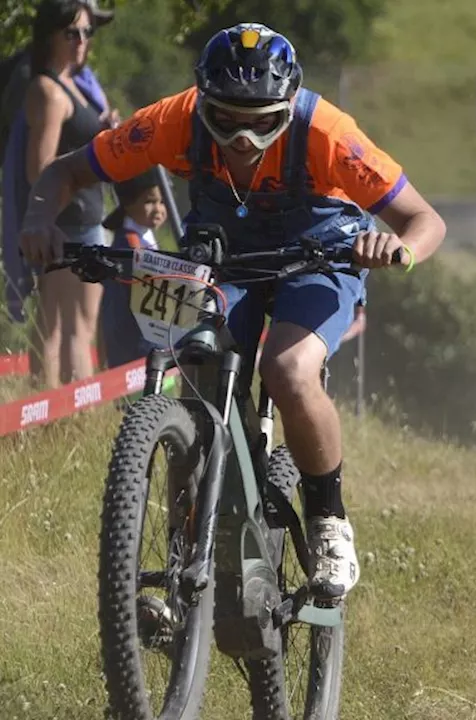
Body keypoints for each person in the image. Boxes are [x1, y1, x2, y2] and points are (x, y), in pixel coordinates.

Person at [19, 22, 448, 602]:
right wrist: (39, 219)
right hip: (225, 255)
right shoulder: (173, 119)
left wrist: (397, 250)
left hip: (321, 254)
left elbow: (425, 221)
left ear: (289, 105)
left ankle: (329, 521)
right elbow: (65, 171)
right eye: (225, 120)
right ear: (203, 104)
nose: (243, 138)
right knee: (196, 380)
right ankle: (182, 562)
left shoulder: (328, 132)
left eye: (263, 121)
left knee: (289, 370)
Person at [11, 0, 119, 388]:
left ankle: (67, 420)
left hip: (89, 217)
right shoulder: (48, 91)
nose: (81, 41)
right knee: (61, 326)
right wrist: (46, 224)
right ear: (50, 35)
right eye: (71, 32)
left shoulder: (80, 83)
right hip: (65, 223)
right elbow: (38, 169)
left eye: (87, 32)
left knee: (77, 327)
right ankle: (57, 417)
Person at [98, 167, 167, 369]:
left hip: (148, 342)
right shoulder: (128, 245)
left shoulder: (144, 237)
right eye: (149, 201)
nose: (158, 209)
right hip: (134, 346)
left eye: (162, 202)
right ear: (128, 204)